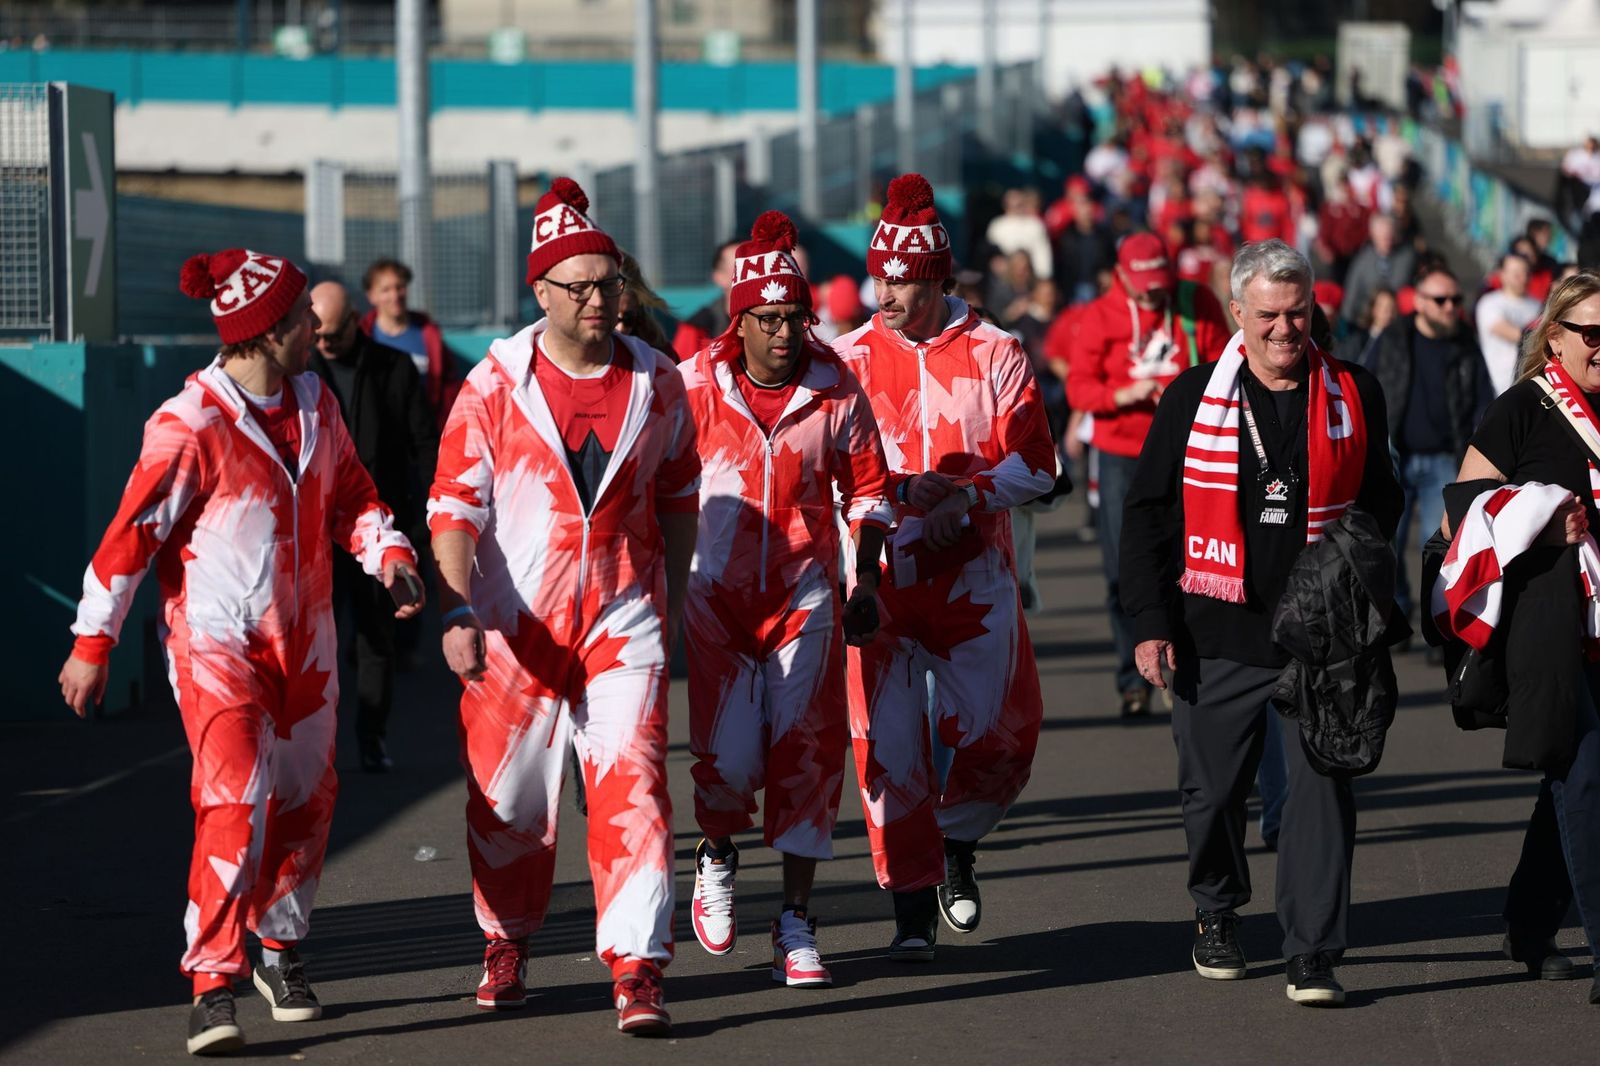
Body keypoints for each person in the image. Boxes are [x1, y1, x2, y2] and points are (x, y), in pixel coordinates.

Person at [58, 248, 423, 1055]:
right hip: (218, 643)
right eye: (298, 318)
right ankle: (212, 982)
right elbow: (130, 536)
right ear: (260, 334)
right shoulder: (190, 424)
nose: (313, 326)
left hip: (309, 642)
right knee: (235, 799)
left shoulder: (315, 401)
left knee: (307, 799)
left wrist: (387, 553)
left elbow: (355, 497)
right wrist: (94, 639)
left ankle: (281, 952)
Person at [428, 178, 700, 1034]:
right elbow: (452, 507)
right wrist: (459, 609)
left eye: (609, 283)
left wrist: (679, 595)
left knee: (635, 789)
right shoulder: (494, 387)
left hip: (624, 620)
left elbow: (682, 494)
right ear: (540, 292)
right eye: (578, 286)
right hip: (517, 625)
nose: (597, 299)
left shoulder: (660, 382)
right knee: (509, 804)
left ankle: (637, 967)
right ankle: (506, 940)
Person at [1120, 239, 1402, 1006]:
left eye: (1298, 311)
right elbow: (1145, 517)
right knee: (1210, 797)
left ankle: (1312, 950)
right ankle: (1215, 911)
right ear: (1237, 314)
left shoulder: (1355, 391)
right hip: (1214, 635)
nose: (1285, 329)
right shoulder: (1189, 398)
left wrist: (1354, 573)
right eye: (1269, 314)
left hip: (1322, 641)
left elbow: (1384, 498)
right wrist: (1149, 625)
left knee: (1320, 794)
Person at [833, 173, 1057, 960]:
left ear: (934, 278)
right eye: (879, 277)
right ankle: (911, 918)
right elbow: (823, 468)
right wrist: (890, 497)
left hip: (974, 583)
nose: (885, 293)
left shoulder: (996, 351)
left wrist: (965, 493)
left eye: (901, 280)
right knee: (888, 755)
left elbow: (1039, 464)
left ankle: (956, 844)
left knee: (1006, 738)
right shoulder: (845, 357)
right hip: (880, 586)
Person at [679, 210, 892, 986]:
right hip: (717, 599)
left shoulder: (835, 384)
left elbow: (869, 490)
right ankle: (716, 851)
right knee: (729, 765)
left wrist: (864, 577)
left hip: (804, 593)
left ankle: (797, 919)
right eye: (766, 319)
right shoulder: (695, 385)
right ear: (739, 321)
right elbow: (660, 486)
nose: (782, 333)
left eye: (794, 317)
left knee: (806, 752)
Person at [1443, 270, 1600, 1005]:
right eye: (1591, 334)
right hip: (1552, 627)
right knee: (1584, 773)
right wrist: (1540, 516)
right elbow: (1458, 513)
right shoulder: (1525, 410)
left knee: (1571, 781)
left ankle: (1529, 924)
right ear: (1554, 337)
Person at [1068, 232, 1232, 718]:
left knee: (1198, 562)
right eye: (1144, 288)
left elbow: (1227, 363)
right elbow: (1079, 389)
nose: (1152, 296)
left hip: (1190, 448)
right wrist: (1124, 394)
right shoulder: (1099, 316)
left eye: (1159, 285)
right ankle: (1131, 675)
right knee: (1125, 569)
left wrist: (1183, 393)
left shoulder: (1194, 300)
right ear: (1120, 277)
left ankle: (1196, 667)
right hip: (1122, 454)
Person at [308, 280, 439, 773]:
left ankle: (371, 736)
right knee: (317, 644)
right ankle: (317, 747)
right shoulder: (302, 374)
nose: (324, 343)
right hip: (318, 533)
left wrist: (425, 515)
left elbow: (424, 444)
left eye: (334, 334)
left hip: (379, 525)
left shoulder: (394, 368)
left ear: (356, 322)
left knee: (375, 641)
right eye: (316, 334)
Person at [1365, 264, 1489, 623]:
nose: (1450, 307)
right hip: (1394, 458)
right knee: (1390, 542)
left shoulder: (1466, 343)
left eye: (1455, 299)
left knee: (1439, 548)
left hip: (1444, 462)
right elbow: (1366, 385)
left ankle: (1437, 625)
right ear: (1419, 302)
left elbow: (1484, 400)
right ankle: (1398, 611)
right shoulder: (1392, 338)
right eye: (1440, 300)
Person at [358, 258, 462, 430]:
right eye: (386, 290)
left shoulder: (429, 335)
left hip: (426, 430)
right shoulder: (363, 337)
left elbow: (448, 386)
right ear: (371, 296)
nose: (395, 295)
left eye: (399, 287)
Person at [1475, 253, 1542, 397]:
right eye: (1516, 274)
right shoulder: (1490, 303)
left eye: (1526, 273)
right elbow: (1515, 334)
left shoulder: (1538, 305)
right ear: (1502, 275)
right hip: (1496, 388)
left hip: (1528, 385)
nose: (1523, 278)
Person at [1340, 215, 1416, 326]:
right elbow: (1352, 292)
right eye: (1382, 233)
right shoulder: (1362, 259)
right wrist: (1347, 320)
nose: (1387, 236)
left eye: (1390, 232)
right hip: (1367, 320)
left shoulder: (1408, 257)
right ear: (1373, 235)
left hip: (1399, 320)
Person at [672, 238, 740, 361]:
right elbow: (680, 375)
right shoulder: (697, 327)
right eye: (740, 266)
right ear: (719, 277)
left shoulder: (775, 319)